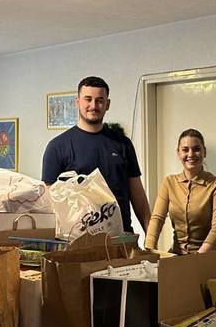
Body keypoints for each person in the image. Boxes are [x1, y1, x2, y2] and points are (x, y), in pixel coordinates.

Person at [42, 76, 151, 233]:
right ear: (77, 102)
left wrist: (151, 235)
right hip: (77, 240)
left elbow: (138, 195)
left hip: (121, 237)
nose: (93, 106)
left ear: (107, 104)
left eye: (100, 100)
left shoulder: (123, 144)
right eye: (88, 99)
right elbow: (49, 202)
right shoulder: (57, 147)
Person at [144, 129, 216, 254]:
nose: (191, 154)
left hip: (208, 256)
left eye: (196, 149)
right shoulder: (169, 182)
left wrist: (198, 257)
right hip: (177, 255)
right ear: (178, 153)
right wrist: (149, 251)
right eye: (185, 150)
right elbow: (157, 219)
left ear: (204, 152)